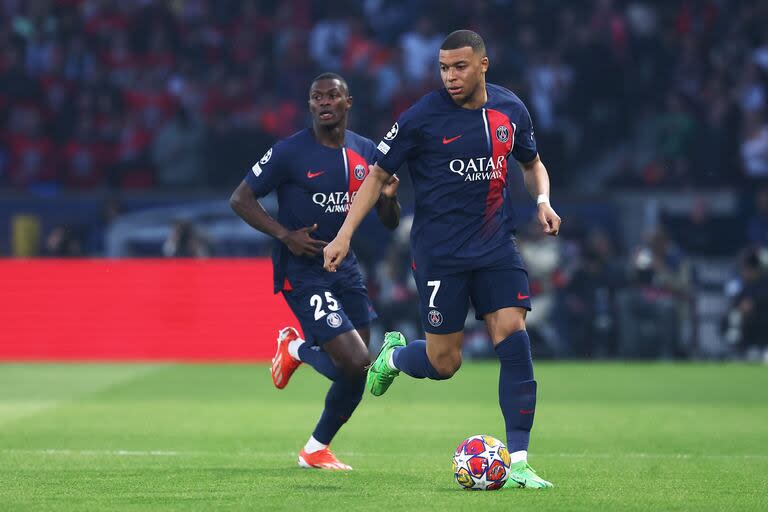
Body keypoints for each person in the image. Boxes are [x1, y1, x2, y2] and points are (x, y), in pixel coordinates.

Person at [324, 30, 561, 488]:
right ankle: (393, 357)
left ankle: (520, 462)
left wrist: (543, 201)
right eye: (444, 68)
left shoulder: (510, 110)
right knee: (444, 363)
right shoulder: (421, 118)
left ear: (483, 65)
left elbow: (531, 164)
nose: (451, 77)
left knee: (512, 335)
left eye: (460, 67)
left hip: (496, 246)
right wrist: (344, 234)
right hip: (441, 255)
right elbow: (377, 175)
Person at [230, 73, 400, 470]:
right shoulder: (290, 152)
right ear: (309, 105)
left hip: (345, 268)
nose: (324, 102)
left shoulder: (367, 152)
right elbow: (240, 198)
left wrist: (390, 198)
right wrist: (284, 234)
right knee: (356, 363)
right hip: (302, 270)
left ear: (348, 102)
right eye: (316, 97)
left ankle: (315, 449)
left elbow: (390, 221)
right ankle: (295, 348)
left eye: (332, 96)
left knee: (361, 371)